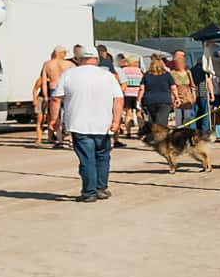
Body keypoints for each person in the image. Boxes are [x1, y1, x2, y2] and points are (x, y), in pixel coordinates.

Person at [50, 46, 124, 202]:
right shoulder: (108, 76)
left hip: (79, 123)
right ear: (96, 59)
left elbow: (56, 98)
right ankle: (101, 188)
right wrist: (116, 121)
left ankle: (89, 192)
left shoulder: (69, 75)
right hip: (103, 124)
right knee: (103, 156)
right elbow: (118, 98)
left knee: (87, 158)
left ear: (78, 59)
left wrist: (54, 119)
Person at [33, 47, 72, 147]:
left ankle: (59, 140)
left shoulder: (47, 64)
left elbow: (44, 82)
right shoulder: (69, 64)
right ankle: (70, 138)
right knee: (69, 114)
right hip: (66, 90)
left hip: (53, 90)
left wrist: (46, 96)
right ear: (61, 53)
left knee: (55, 116)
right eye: (64, 53)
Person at [140, 53, 174, 130]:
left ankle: (154, 136)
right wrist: (176, 98)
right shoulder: (167, 74)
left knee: (153, 121)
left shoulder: (146, 75)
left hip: (150, 100)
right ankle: (160, 137)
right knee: (162, 121)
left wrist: (138, 100)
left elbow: (142, 88)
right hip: (164, 100)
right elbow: (173, 88)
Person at [117, 54, 144, 135]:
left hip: (127, 93)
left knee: (128, 113)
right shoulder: (139, 71)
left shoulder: (123, 70)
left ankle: (128, 132)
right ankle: (141, 130)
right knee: (139, 113)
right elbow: (142, 83)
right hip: (137, 94)